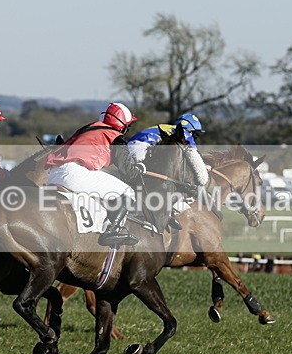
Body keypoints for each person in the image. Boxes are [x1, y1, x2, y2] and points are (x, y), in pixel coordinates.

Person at [45, 102, 144, 247]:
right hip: (75, 173)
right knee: (128, 192)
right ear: (122, 125)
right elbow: (129, 174)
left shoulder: (87, 129)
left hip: (53, 173)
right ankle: (112, 230)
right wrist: (140, 169)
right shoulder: (115, 137)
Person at [128, 113, 209, 187]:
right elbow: (193, 154)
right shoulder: (184, 133)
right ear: (190, 131)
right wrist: (204, 166)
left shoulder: (169, 128)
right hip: (140, 147)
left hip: (131, 146)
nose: (194, 138)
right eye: (196, 134)